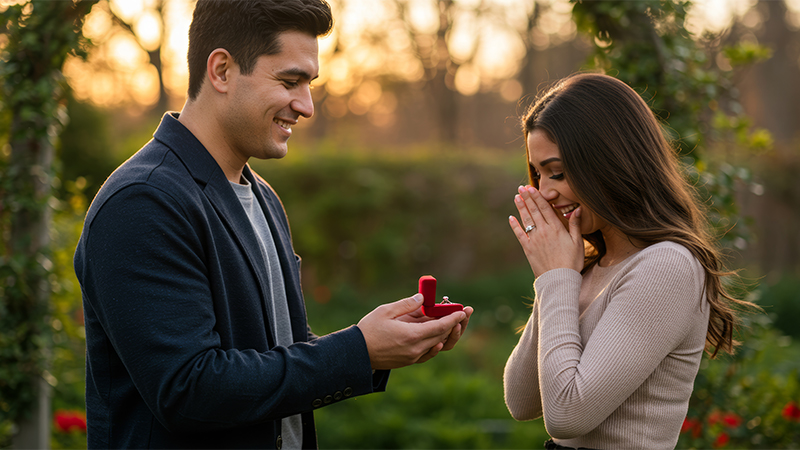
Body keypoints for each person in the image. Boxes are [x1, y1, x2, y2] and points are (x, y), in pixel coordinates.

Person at [73, 1, 472, 448]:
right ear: (222, 70)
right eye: (289, 81)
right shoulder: (144, 201)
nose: (306, 106)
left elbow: (274, 351)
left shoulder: (261, 196)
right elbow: (189, 390)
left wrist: (383, 344)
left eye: (309, 84)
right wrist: (358, 350)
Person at [502, 73, 754, 450]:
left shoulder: (666, 266)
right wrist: (553, 277)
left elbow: (567, 414)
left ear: (608, 161)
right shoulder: (585, 266)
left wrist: (556, 276)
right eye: (537, 174)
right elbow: (522, 402)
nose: (545, 192)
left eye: (557, 172)